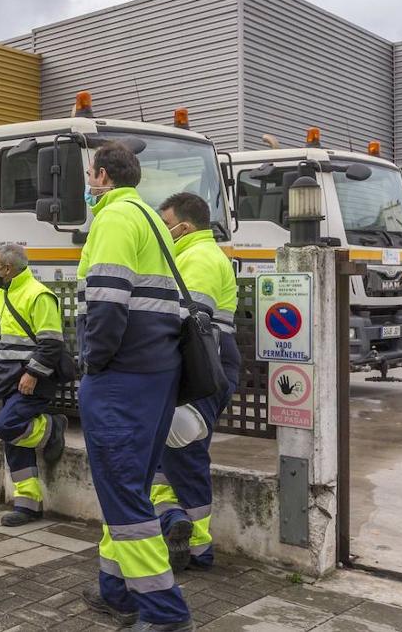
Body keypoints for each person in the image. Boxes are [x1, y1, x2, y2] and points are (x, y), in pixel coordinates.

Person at [77, 143, 193, 631]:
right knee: (129, 487)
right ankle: (117, 590)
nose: (87, 183)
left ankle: (165, 611)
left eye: (89, 175)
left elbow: (106, 301)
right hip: (152, 373)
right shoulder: (148, 218)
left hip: (122, 377)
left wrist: (94, 361)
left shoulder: (115, 218)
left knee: (123, 492)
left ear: (101, 175)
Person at [154, 193, 240, 572]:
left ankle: (199, 549)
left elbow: (188, 319)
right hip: (200, 364)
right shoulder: (189, 255)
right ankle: (173, 521)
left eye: (165, 222)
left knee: (185, 450)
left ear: (183, 227)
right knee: (165, 454)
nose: (162, 229)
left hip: (202, 365)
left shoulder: (200, 257)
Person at [0, 244, 68, 526]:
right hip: (7, 378)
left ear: (8, 269)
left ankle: (52, 427)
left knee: (5, 427)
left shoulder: (38, 295)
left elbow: (52, 343)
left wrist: (33, 373)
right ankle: (28, 504)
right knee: (14, 440)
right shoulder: (1, 293)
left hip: (31, 380)